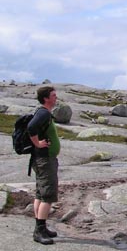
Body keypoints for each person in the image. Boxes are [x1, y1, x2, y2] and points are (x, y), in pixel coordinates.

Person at [27, 86, 61, 245]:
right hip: (44, 159)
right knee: (47, 194)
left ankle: (41, 226)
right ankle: (39, 231)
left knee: (40, 194)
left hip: (42, 159)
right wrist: (37, 143)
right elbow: (31, 127)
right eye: (54, 95)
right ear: (46, 98)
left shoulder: (44, 113)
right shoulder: (43, 113)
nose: (56, 98)